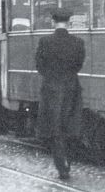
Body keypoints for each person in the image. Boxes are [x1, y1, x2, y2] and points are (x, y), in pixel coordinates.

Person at [35, 10, 85, 180]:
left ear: (52, 22)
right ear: (69, 23)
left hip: (52, 89)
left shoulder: (45, 42)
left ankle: (61, 166)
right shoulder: (78, 42)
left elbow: (39, 66)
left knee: (54, 128)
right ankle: (68, 162)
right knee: (70, 126)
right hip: (71, 88)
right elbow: (79, 65)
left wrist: (52, 76)